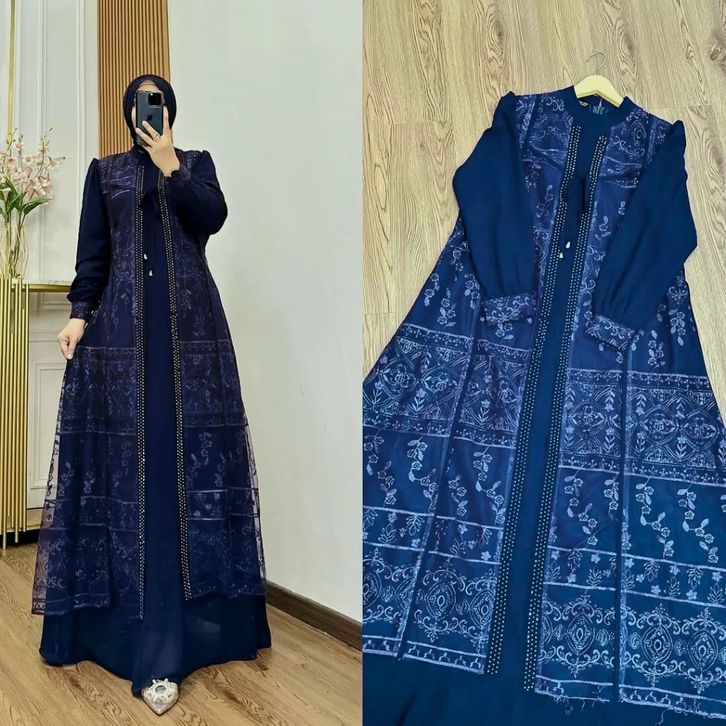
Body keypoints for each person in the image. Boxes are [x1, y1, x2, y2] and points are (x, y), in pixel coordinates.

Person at [31, 74, 271, 715]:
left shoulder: (195, 165)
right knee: (131, 479)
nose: (150, 110)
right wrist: (78, 315)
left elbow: (212, 219)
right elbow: (93, 255)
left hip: (190, 343)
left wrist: (171, 167)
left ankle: (183, 635)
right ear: (127, 112)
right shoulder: (104, 173)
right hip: (120, 345)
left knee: (179, 476)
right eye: (141, 102)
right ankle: (128, 634)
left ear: (171, 110)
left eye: (158, 101)